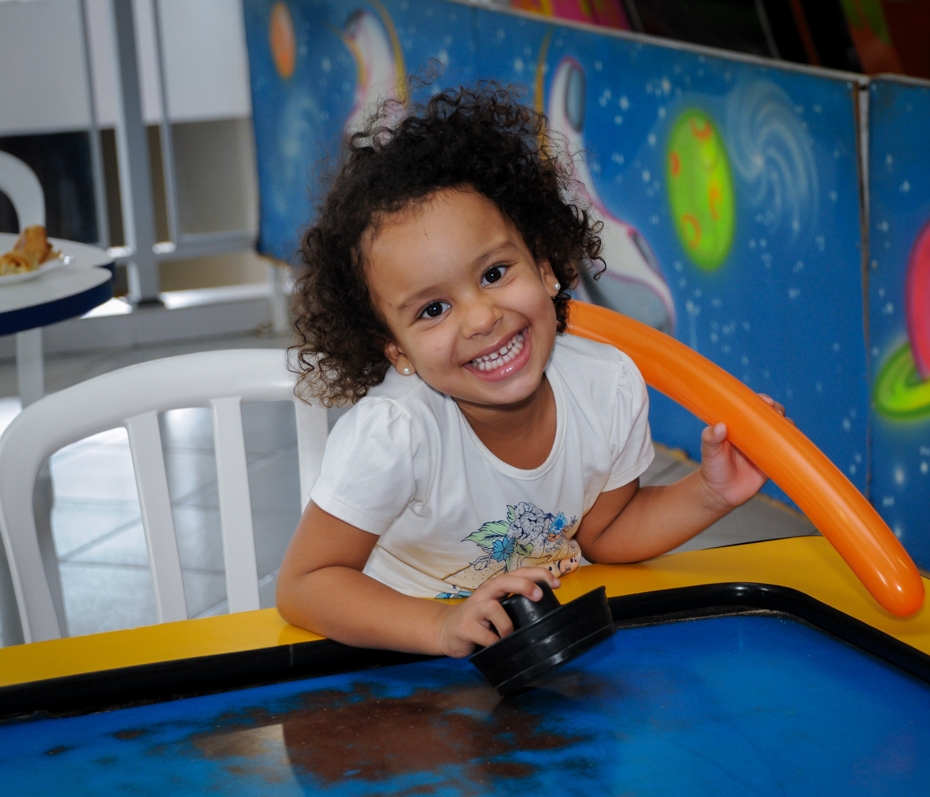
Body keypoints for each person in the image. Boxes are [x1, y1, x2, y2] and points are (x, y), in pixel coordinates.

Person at [276, 84, 785, 658]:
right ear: (396, 351)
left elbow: (607, 532)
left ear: (545, 267)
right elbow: (305, 585)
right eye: (432, 309)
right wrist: (441, 629)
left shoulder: (607, 386)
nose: (480, 318)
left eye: (494, 273)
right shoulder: (396, 434)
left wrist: (711, 493)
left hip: (537, 656)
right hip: (405, 659)